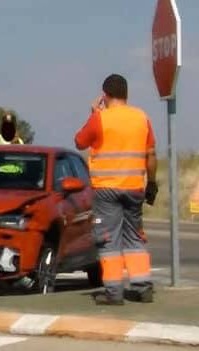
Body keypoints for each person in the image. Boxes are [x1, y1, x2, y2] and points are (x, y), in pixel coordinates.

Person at [74, 73, 158, 305]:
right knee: (134, 237)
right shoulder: (142, 118)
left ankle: (113, 292)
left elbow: (80, 141)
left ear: (105, 95)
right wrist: (151, 182)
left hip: (106, 189)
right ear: (126, 94)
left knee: (108, 239)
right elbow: (150, 154)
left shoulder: (101, 118)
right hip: (134, 188)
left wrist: (94, 114)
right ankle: (142, 287)